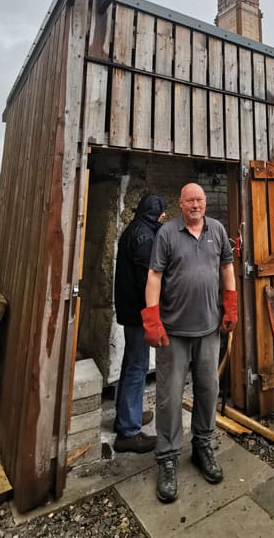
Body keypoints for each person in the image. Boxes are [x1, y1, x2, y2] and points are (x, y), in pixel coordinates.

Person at [142, 182, 237, 504]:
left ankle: (202, 446)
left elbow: (227, 266)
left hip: (208, 329)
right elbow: (154, 276)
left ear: (205, 202)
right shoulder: (167, 234)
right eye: (189, 200)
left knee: (208, 390)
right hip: (173, 332)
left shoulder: (218, 231)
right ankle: (167, 458)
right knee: (169, 397)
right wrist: (152, 319)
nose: (195, 205)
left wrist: (231, 304)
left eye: (199, 200)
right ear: (180, 204)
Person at [113, 193, 166, 453]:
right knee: (137, 366)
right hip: (138, 312)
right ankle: (129, 431)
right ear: (154, 213)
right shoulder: (145, 237)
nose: (164, 217)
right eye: (162, 213)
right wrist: (153, 314)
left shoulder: (133, 229)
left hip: (129, 309)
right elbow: (148, 279)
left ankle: (125, 415)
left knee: (130, 363)